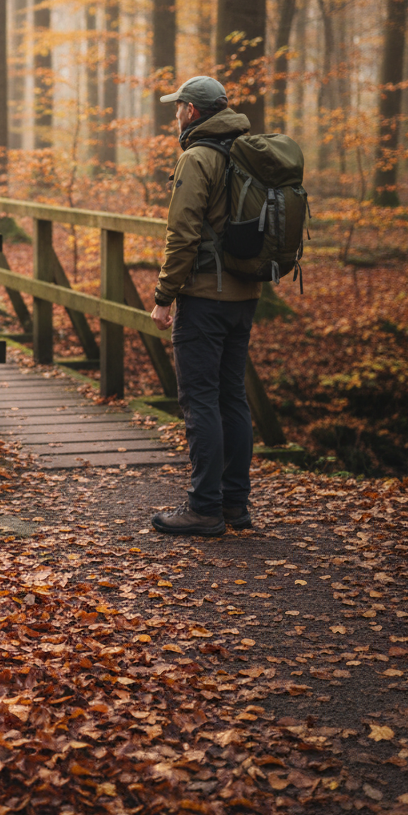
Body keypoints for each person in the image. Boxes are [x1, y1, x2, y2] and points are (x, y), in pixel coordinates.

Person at [149, 76, 261, 537]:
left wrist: (163, 296)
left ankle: (203, 507)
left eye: (178, 107)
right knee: (231, 396)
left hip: (204, 297)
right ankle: (234, 505)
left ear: (193, 112)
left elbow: (182, 234)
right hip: (244, 295)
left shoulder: (197, 158)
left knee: (200, 400)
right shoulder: (248, 152)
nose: (174, 113)